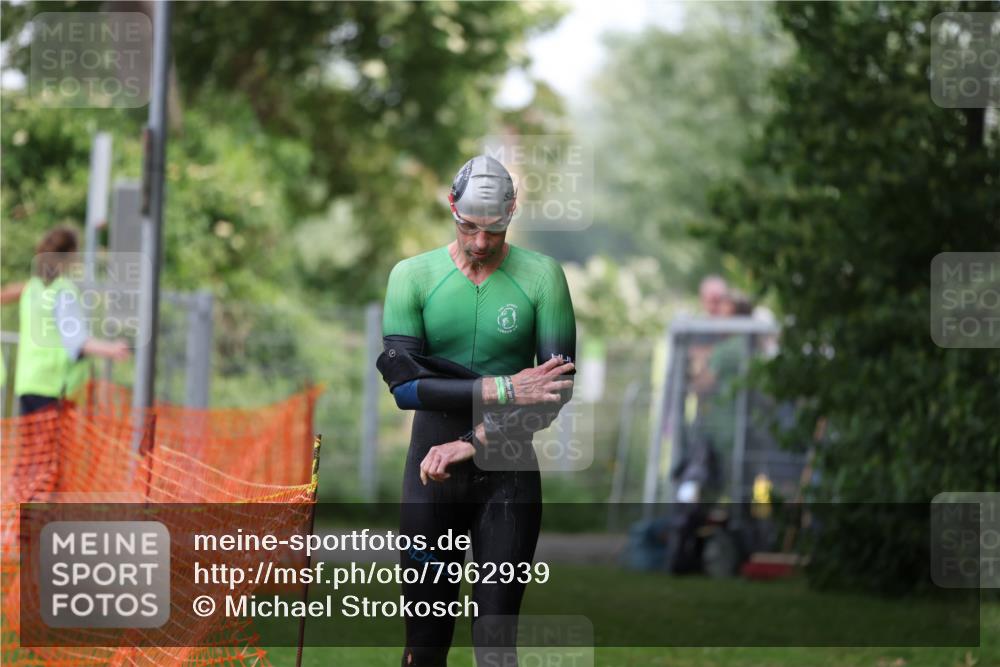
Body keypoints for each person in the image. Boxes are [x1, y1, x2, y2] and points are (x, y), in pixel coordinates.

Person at [378, 155, 576, 667]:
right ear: (451, 208)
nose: (481, 242)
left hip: (506, 471)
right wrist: (506, 389)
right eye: (469, 227)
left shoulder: (542, 277)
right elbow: (404, 388)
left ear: (513, 211)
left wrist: (469, 441)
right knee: (424, 645)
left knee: (496, 645)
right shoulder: (412, 276)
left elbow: (553, 392)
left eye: (495, 229)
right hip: (431, 471)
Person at [14, 226, 130, 415]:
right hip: (54, 386)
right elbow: (75, 340)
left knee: (32, 445)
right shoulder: (63, 291)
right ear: (68, 254)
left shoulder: (31, 289)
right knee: (51, 445)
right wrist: (112, 349)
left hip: (28, 382)